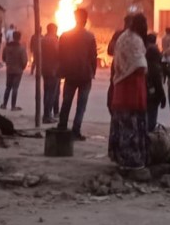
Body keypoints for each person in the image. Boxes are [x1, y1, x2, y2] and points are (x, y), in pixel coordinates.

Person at [109, 14, 150, 172]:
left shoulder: (122, 37)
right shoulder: (135, 40)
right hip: (132, 87)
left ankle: (120, 158)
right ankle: (133, 161)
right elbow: (140, 65)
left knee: (121, 124)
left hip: (120, 85)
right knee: (132, 126)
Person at [57, 9, 98, 141]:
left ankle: (62, 127)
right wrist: (93, 72)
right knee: (81, 105)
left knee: (66, 102)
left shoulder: (65, 35)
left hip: (70, 74)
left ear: (75, 19)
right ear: (85, 20)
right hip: (85, 75)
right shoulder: (90, 37)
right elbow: (93, 57)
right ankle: (76, 131)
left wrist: (62, 71)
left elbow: (60, 55)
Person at [107, 15, 133, 113]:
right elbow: (110, 50)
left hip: (119, 68)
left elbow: (110, 50)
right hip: (123, 68)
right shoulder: (135, 36)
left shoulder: (118, 35)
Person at [1, 30, 28, 111]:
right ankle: (13, 106)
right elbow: (24, 61)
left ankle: (4, 104)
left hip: (9, 69)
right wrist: (22, 67)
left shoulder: (7, 47)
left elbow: (3, 58)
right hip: (18, 70)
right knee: (15, 88)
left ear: (13, 36)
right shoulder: (21, 48)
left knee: (8, 87)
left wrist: (9, 63)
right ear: (19, 38)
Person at [145, 33, 166, 131]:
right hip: (153, 98)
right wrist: (162, 97)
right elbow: (158, 85)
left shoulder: (144, 65)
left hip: (145, 96)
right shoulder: (155, 68)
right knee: (151, 120)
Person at [41, 23, 60, 124]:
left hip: (45, 69)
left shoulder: (43, 39)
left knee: (46, 92)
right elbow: (58, 53)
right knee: (52, 94)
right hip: (53, 69)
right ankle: (47, 116)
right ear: (54, 29)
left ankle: (46, 114)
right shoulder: (54, 40)